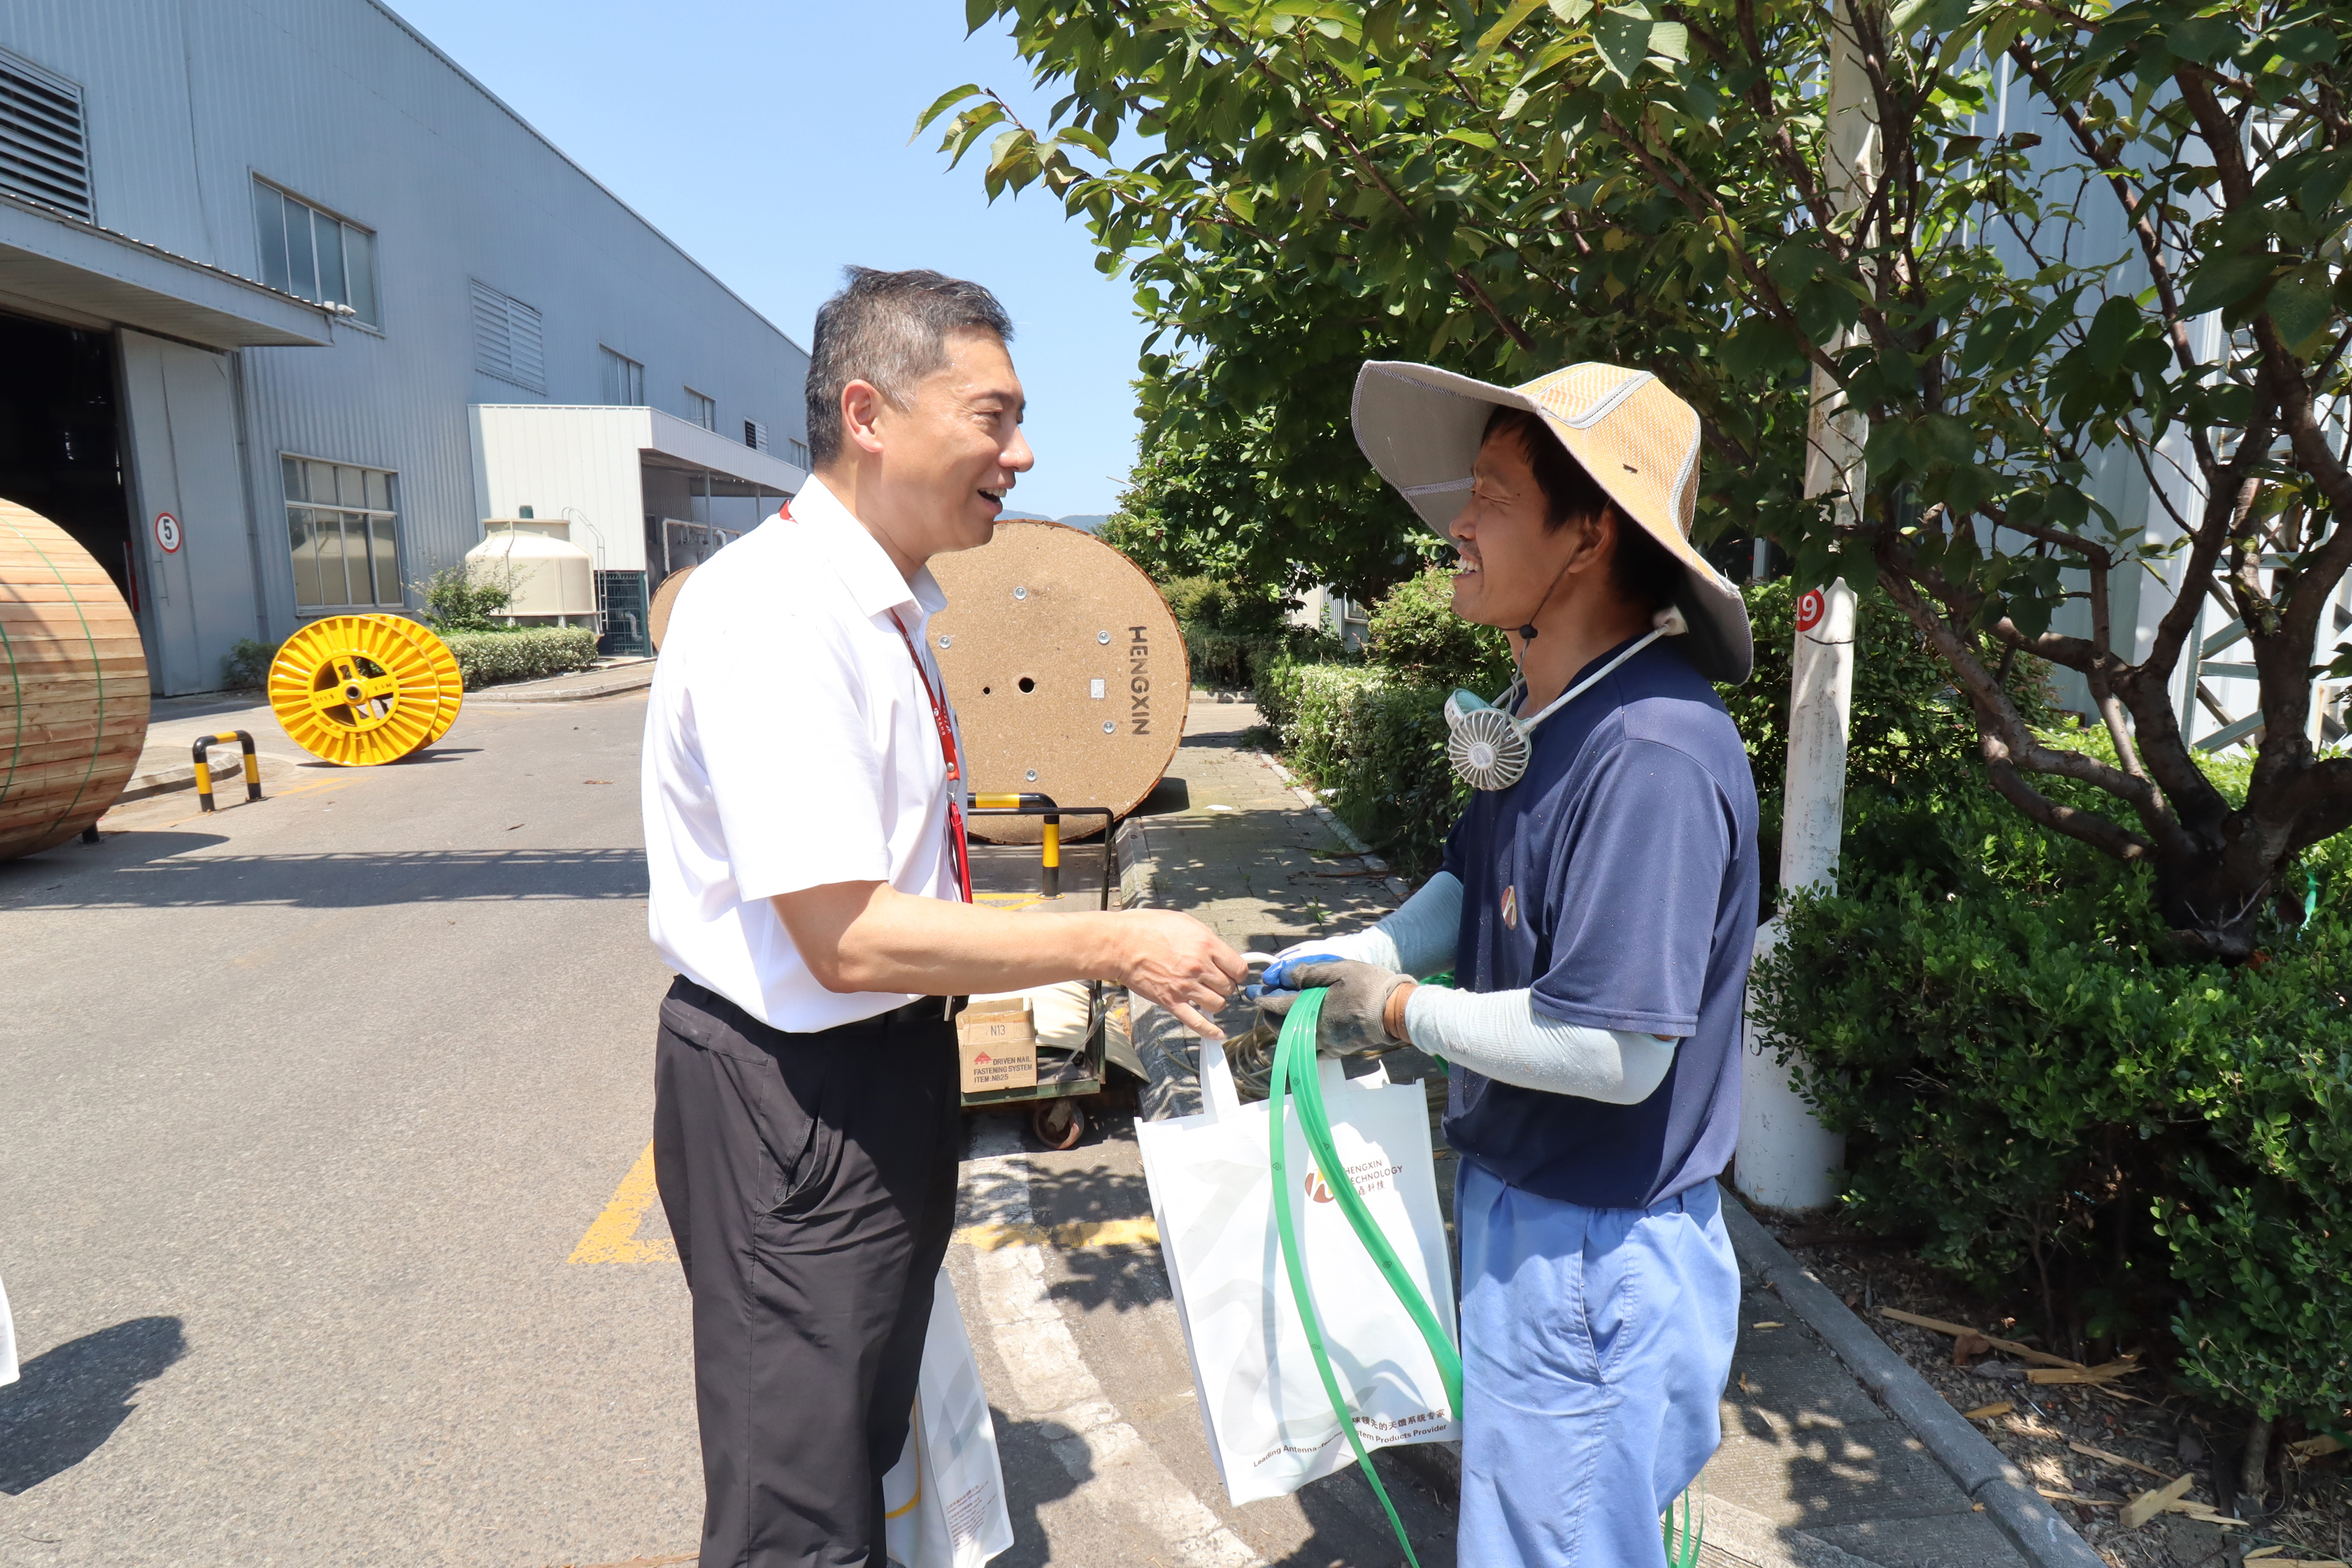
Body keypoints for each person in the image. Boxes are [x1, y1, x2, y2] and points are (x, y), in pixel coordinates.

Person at [641, 266, 1245, 1568]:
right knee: (796, 1508)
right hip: (796, 1095)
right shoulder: (782, 616)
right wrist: (1115, 942)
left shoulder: (884, 605)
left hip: (875, 1073)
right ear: (869, 415)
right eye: (993, 418)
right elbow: (847, 936)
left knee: (854, 1440)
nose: (1020, 456)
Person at [1249, 361, 1759, 1567]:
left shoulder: (1651, 751)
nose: (1458, 527)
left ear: (1590, 533)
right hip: (1540, 1217)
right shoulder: (1555, 715)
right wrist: (1360, 956)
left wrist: (1397, 1010)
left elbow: (1615, 1053)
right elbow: (1472, 884)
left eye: (1491, 495)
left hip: (1595, 1248)